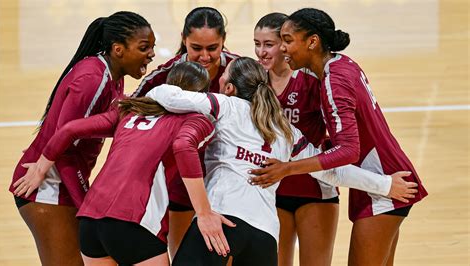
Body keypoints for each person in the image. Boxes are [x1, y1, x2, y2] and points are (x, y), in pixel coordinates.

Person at [146, 57, 418, 266]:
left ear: (229, 87)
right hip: (264, 237)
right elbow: (331, 172)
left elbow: (163, 95)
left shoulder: (224, 105)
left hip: (221, 222)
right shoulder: (285, 130)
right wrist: (384, 185)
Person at [249, 8, 428, 266]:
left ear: (312, 42)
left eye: (287, 41)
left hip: (383, 180)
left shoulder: (335, 80)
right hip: (376, 178)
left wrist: (287, 168)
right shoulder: (342, 63)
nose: (283, 48)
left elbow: (348, 151)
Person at [13, 62, 236, 265]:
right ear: (202, 95)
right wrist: (205, 213)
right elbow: (184, 147)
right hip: (134, 221)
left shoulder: (128, 110)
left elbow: (69, 129)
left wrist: (41, 166)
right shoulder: (194, 120)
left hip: (91, 221)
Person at [9, 11, 155, 265]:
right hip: (47, 187)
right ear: (118, 49)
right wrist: (86, 205)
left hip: (62, 183)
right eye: (144, 48)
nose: (151, 54)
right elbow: (63, 145)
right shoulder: (93, 79)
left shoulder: (113, 76)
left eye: (152, 47)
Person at [132, 6, 238, 258]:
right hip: (180, 180)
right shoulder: (164, 75)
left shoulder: (240, 71)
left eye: (213, 48)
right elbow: (130, 114)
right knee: (182, 257)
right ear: (183, 39)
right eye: (196, 48)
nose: (204, 56)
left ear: (224, 40)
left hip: (228, 183)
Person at [254, 12, 338, 266]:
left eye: (269, 44)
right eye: (257, 44)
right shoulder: (253, 81)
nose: (261, 52)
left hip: (314, 188)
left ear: (286, 43)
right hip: (270, 190)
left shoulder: (312, 79)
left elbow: (340, 134)